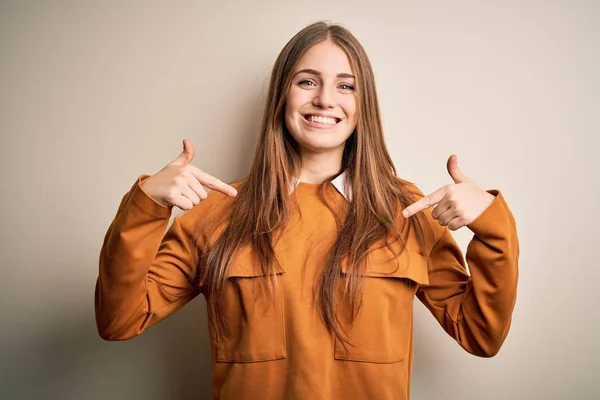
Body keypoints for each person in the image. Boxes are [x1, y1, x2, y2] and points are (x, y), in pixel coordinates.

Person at [95, 21, 519, 400]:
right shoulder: (218, 213)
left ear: (362, 103)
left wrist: (491, 226)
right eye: (306, 82)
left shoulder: (407, 210)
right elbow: (119, 319)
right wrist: (147, 204)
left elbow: (481, 334)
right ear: (282, 95)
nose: (325, 100)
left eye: (345, 85)